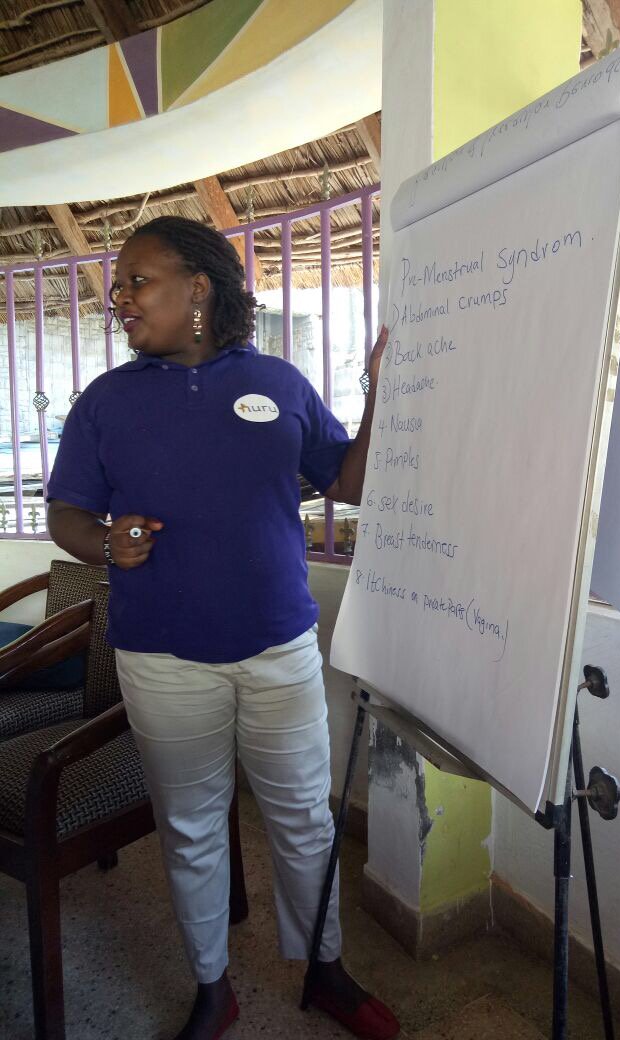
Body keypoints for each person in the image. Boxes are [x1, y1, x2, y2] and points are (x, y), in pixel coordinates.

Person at [46, 215, 396, 1040]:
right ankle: (213, 987)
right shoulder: (106, 403)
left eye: (139, 280)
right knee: (193, 822)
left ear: (198, 288)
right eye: (119, 284)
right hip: (161, 659)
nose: (118, 298)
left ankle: (325, 968)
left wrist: (385, 397)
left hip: (278, 646)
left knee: (305, 818)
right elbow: (65, 510)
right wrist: (104, 542)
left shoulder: (278, 382)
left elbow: (344, 479)